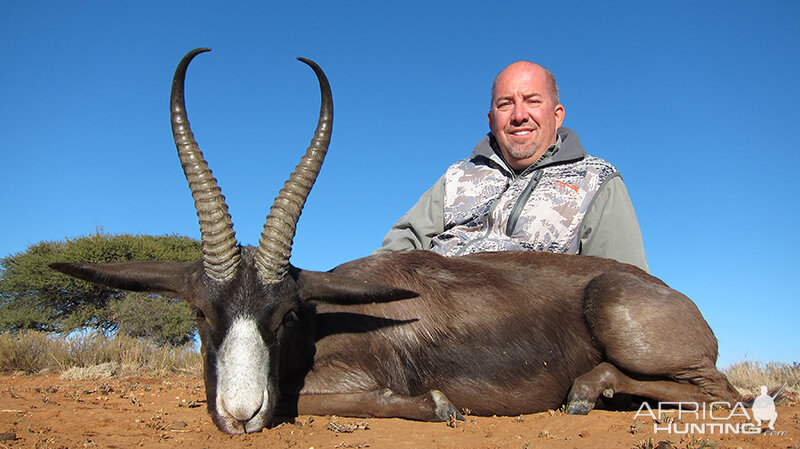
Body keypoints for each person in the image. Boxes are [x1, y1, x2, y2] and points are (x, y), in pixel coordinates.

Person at [374, 61, 649, 272]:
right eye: (506, 104)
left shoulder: (597, 180)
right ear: (492, 121)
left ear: (557, 115)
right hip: (434, 310)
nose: (519, 115)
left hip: (529, 329)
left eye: (532, 101)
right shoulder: (458, 176)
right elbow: (399, 247)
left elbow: (624, 285)